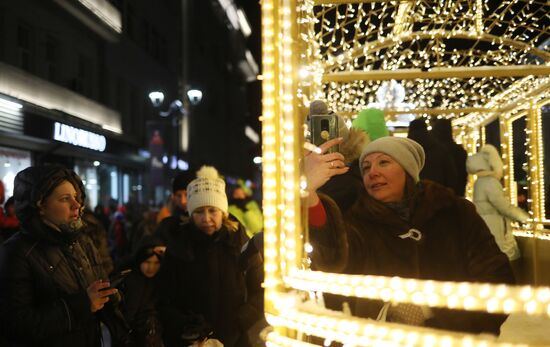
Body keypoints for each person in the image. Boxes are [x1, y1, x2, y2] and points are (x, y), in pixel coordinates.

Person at [304, 137, 514, 335]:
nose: (372, 172)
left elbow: (497, 279)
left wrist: (446, 319)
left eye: (383, 162)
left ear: (407, 169)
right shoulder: (359, 223)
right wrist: (310, 193)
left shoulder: (455, 212)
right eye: (366, 167)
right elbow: (333, 258)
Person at [0, 165, 132, 346]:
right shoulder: (16, 252)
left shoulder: (83, 242)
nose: (76, 205)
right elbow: (16, 325)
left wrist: (112, 297)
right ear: (40, 206)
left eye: (77, 197)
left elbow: (99, 288)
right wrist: (82, 305)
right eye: (65, 199)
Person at [157, 166, 264, 347]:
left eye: (212, 210)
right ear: (191, 215)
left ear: (223, 212)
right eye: (199, 212)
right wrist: (187, 327)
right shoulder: (178, 246)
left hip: (235, 339)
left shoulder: (241, 243)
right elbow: (165, 299)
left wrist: (240, 321)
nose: (206, 218)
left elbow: (262, 288)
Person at [466, 144, 529, 263]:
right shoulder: (490, 182)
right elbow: (503, 206)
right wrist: (524, 217)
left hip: (487, 229)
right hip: (496, 230)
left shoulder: (479, 182)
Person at [120, 237, 165, 347]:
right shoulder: (129, 279)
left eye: (156, 263)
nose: (151, 267)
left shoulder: (162, 281)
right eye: (147, 262)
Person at [407, 118, 458, 191]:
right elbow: (451, 176)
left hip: (412, 194)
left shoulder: (406, 150)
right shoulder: (440, 149)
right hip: (436, 193)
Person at [155, 170, 193, 252]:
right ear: (173, 197)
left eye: (187, 195)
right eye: (178, 195)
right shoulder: (167, 224)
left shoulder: (204, 222)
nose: (183, 201)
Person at [431, 118, 468, 196]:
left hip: (439, 195)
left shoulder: (435, 150)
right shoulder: (459, 150)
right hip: (456, 193)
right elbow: (463, 175)